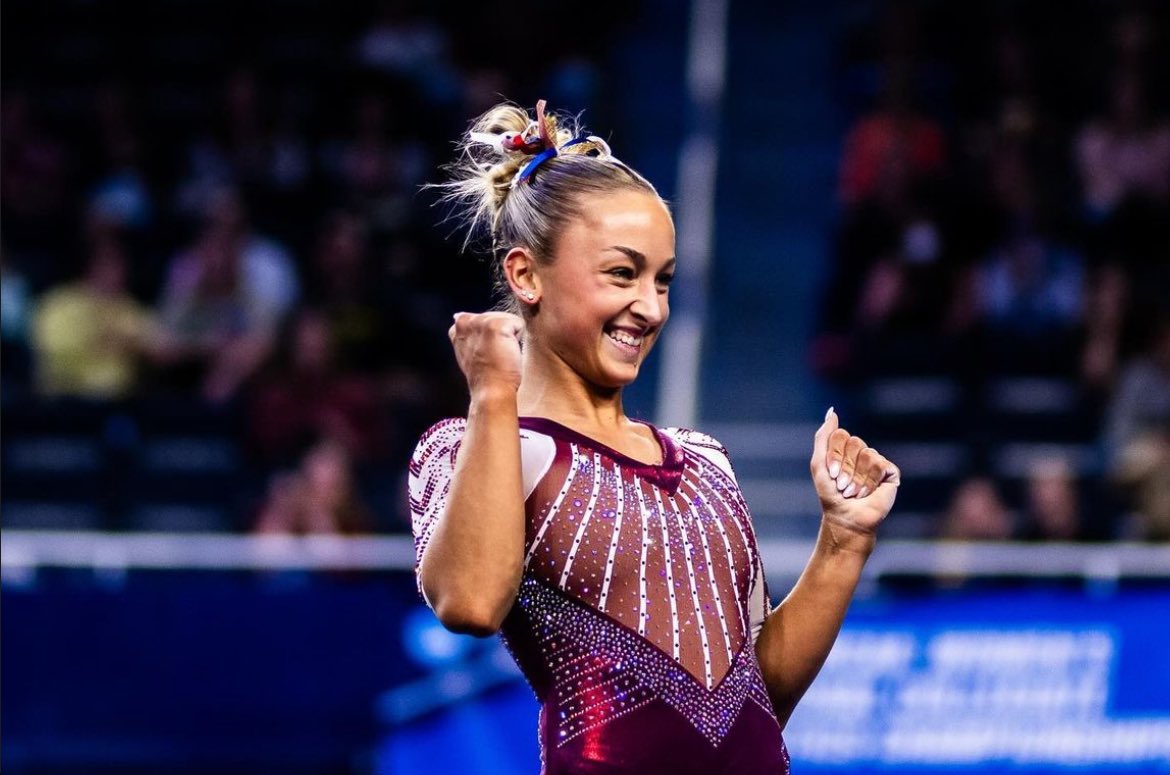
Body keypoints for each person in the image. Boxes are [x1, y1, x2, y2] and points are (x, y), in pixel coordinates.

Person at [408, 101, 900, 774]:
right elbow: (469, 600)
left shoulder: (704, 460)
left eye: (663, 280)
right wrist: (493, 392)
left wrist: (844, 543)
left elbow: (759, 695)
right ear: (526, 276)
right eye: (622, 272)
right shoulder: (476, 448)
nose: (651, 306)